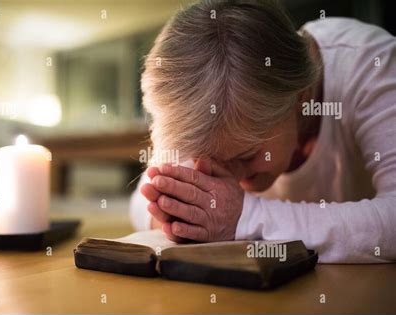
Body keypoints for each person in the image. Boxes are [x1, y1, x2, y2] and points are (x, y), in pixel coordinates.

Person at [129, 0, 396, 263]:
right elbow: (141, 202)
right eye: (215, 161)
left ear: (300, 97)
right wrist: (180, 217)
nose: (233, 176)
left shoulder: (371, 65)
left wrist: (245, 218)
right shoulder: (207, 100)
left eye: (246, 155)